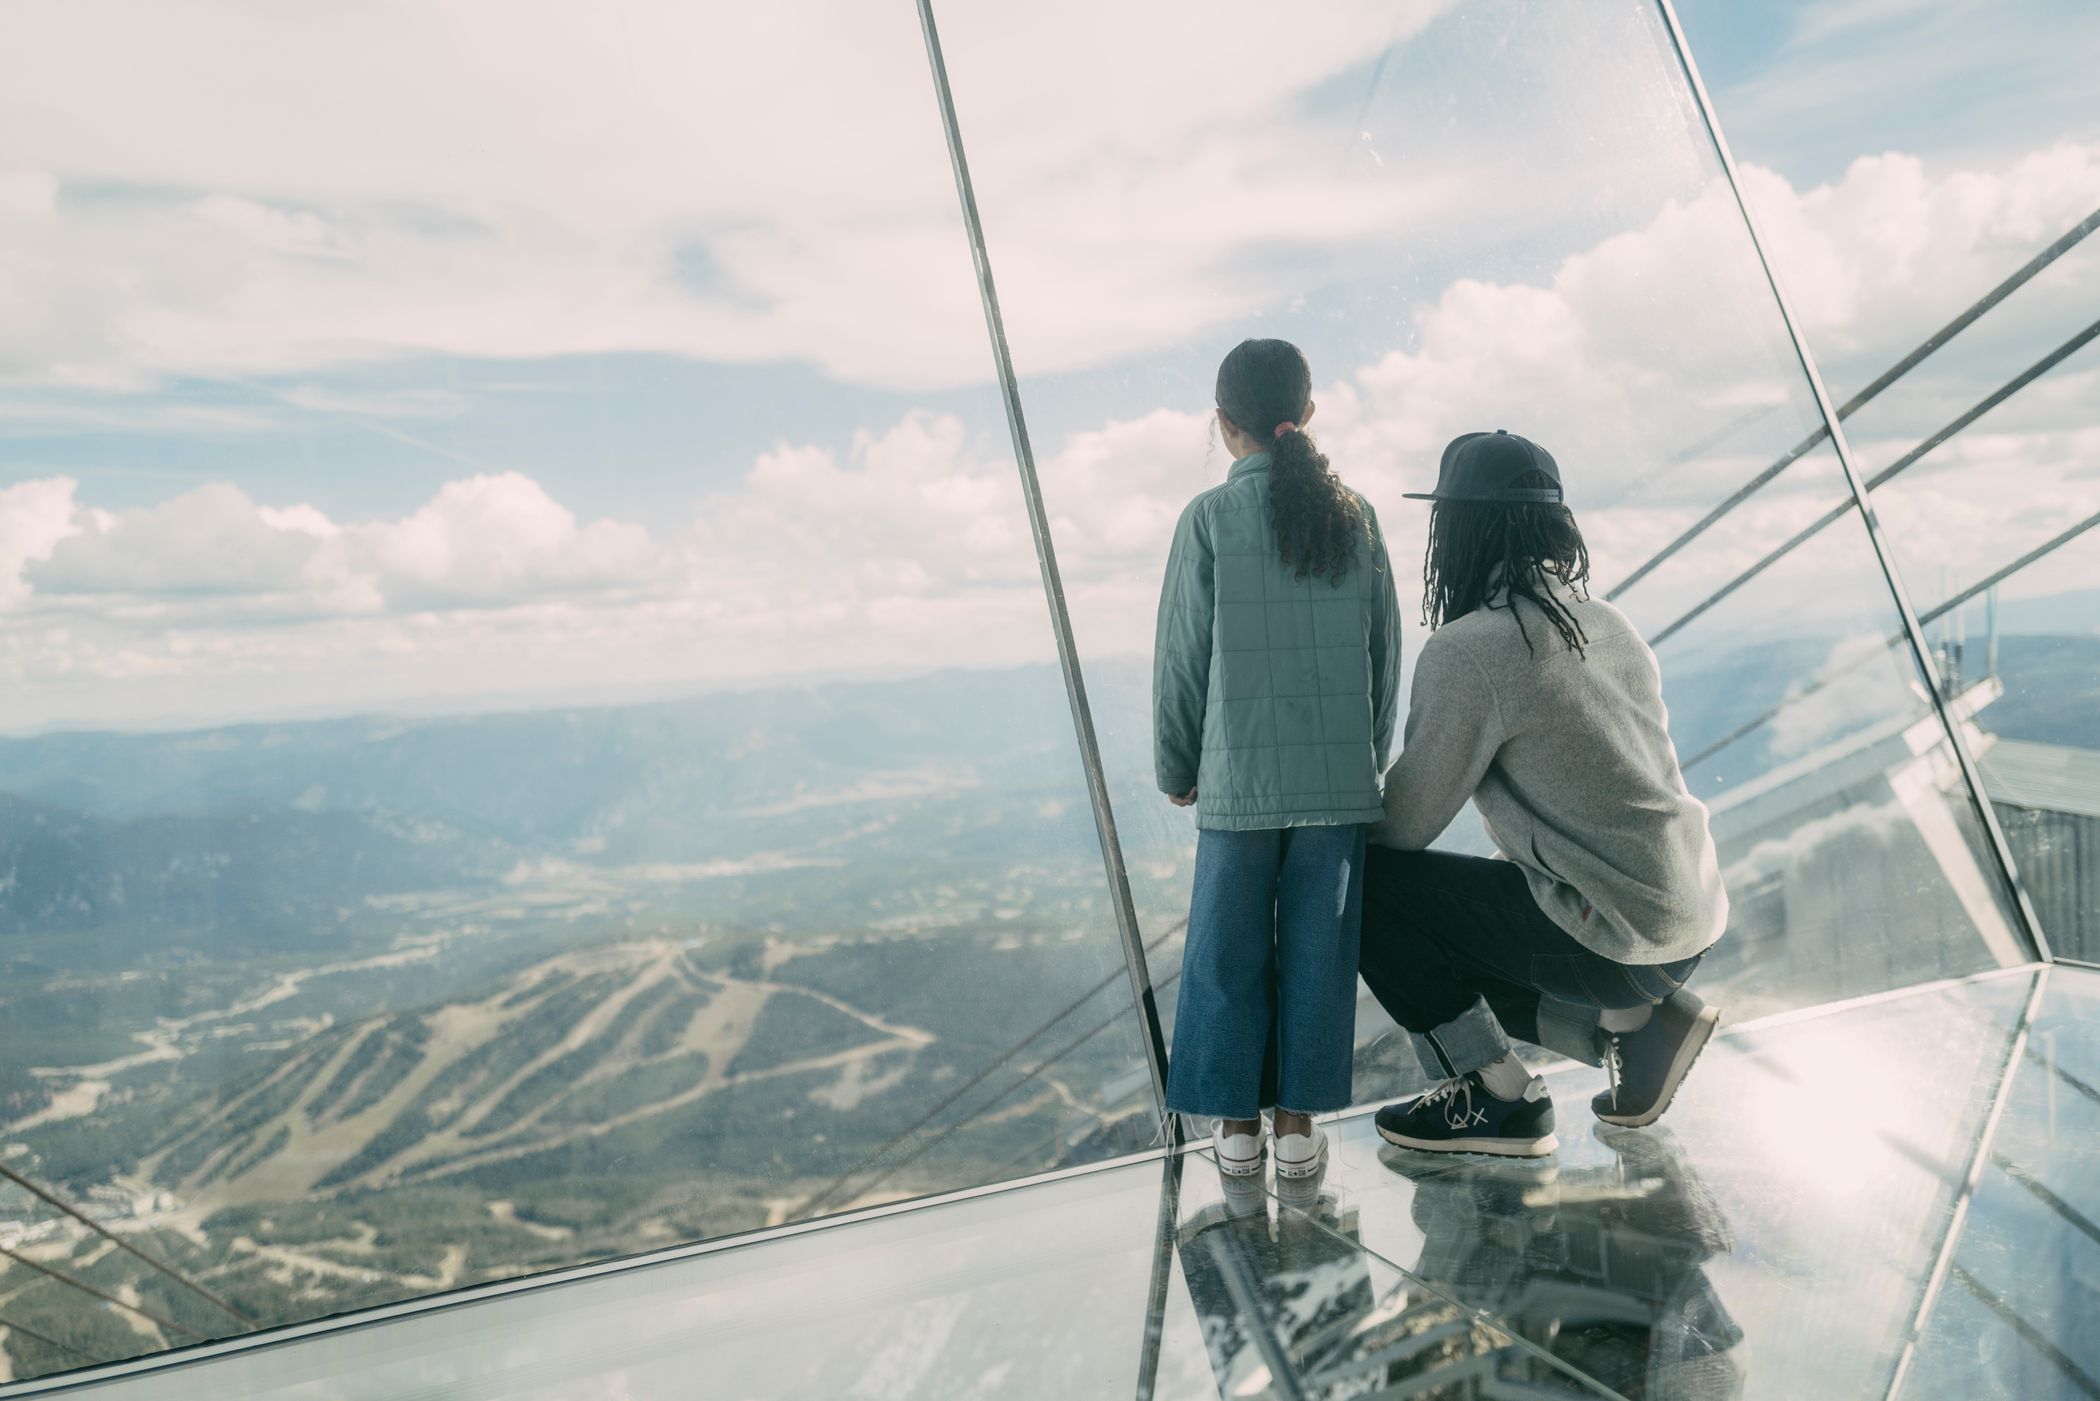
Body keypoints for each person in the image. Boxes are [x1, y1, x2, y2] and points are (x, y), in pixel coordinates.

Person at [1362, 429, 1728, 1157]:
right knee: (1488, 912)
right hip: (1689, 917)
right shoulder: (1605, 620)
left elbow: (1403, 826)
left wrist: (1329, 830)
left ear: (1456, 531)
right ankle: (1634, 1032)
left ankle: (1498, 1097)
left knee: (1366, 890)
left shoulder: (1471, 648)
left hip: (1618, 941)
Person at [1155, 338, 1401, 1179]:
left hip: (1238, 777)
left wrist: (1175, 762)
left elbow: (1184, 658)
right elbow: (1384, 652)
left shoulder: (1208, 520)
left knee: (1227, 951)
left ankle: (1235, 1132)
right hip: (1337, 782)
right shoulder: (1354, 514)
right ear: (1310, 414)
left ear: (1224, 426)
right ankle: (1296, 1131)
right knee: (1315, 953)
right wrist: (1371, 756)